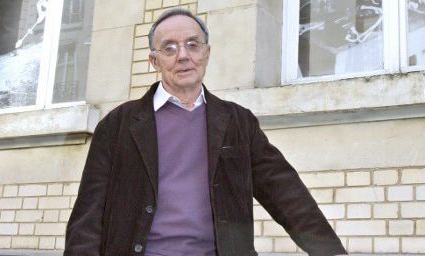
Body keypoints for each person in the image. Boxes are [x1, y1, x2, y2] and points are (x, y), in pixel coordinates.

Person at [64, 8, 347, 256]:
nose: (184, 55)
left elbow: (285, 193)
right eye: (170, 48)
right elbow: (88, 217)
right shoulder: (118, 126)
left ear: (207, 52)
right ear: (154, 61)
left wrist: (329, 251)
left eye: (192, 44)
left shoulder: (238, 122)